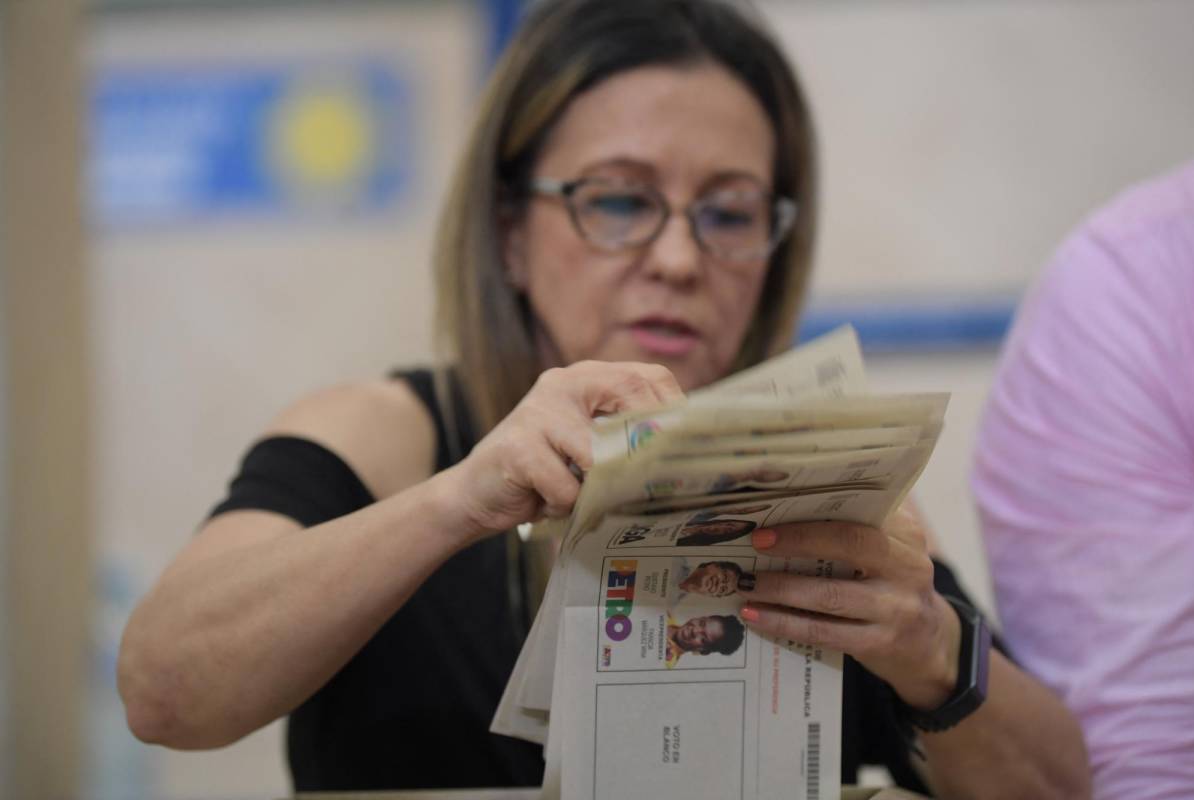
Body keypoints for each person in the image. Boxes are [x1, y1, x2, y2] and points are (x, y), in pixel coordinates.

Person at [116, 1, 1089, 796]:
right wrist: (459, 498)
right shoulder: (388, 434)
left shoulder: (824, 483)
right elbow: (163, 690)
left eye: (729, 211)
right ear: (509, 233)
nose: (677, 257)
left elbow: (1059, 782)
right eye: (619, 201)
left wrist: (932, 647)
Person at [973, 158, 1194, 800]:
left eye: (730, 213)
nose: (679, 262)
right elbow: (1150, 764)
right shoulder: (1134, 285)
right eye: (654, 205)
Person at [665, 613, 746, 668]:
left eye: (703, 639)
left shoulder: (667, 661)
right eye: (701, 623)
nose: (695, 631)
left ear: (704, 651)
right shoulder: (666, 614)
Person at [678, 560, 744, 598]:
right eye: (724, 577)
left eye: (722, 589)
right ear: (713, 565)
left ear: (713, 596)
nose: (719, 584)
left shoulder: (675, 604)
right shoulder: (677, 563)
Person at [675, 517, 758, 547]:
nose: (720, 527)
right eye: (728, 523)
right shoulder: (695, 518)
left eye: (728, 530)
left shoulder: (693, 544)